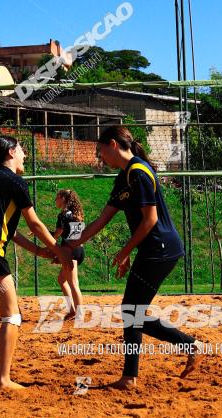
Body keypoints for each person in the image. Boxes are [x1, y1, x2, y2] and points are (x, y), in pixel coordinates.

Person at [69, 125, 204, 390]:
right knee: (132, 311)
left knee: (131, 311)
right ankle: (134, 374)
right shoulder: (124, 176)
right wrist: (73, 243)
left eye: (101, 151)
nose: (100, 157)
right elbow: (102, 219)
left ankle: (187, 346)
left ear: (113, 144)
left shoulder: (139, 173)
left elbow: (150, 220)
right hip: (153, 249)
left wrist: (125, 251)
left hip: (160, 248)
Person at [0, 135, 71, 391]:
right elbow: (34, 223)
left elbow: (11, 230)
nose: (25, 156)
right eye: (22, 150)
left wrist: (39, 251)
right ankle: (4, 380)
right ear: (10, 152)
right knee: (12, 316)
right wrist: (58, 250)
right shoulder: (16, 181)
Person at [51, 189, 85, 320]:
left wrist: (49, 242)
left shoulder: (63, 214)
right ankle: (72, 310)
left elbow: (58, 233)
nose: (55, 200)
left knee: (73, 283)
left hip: (70, 251)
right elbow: (73, 234)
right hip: (78, 250)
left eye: (57, 197)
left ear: (63, 199)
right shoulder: (77, 214)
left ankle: (79, 314)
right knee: (62, 280)